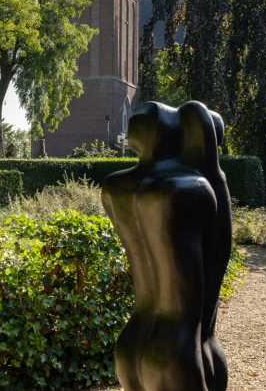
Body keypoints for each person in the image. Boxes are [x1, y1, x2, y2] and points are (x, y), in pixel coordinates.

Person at [101, 101, 232, 391]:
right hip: (177, 353)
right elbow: (220, 250)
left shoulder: (116, 189)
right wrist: (211, 159)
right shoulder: (190, 191)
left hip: (131, 342)